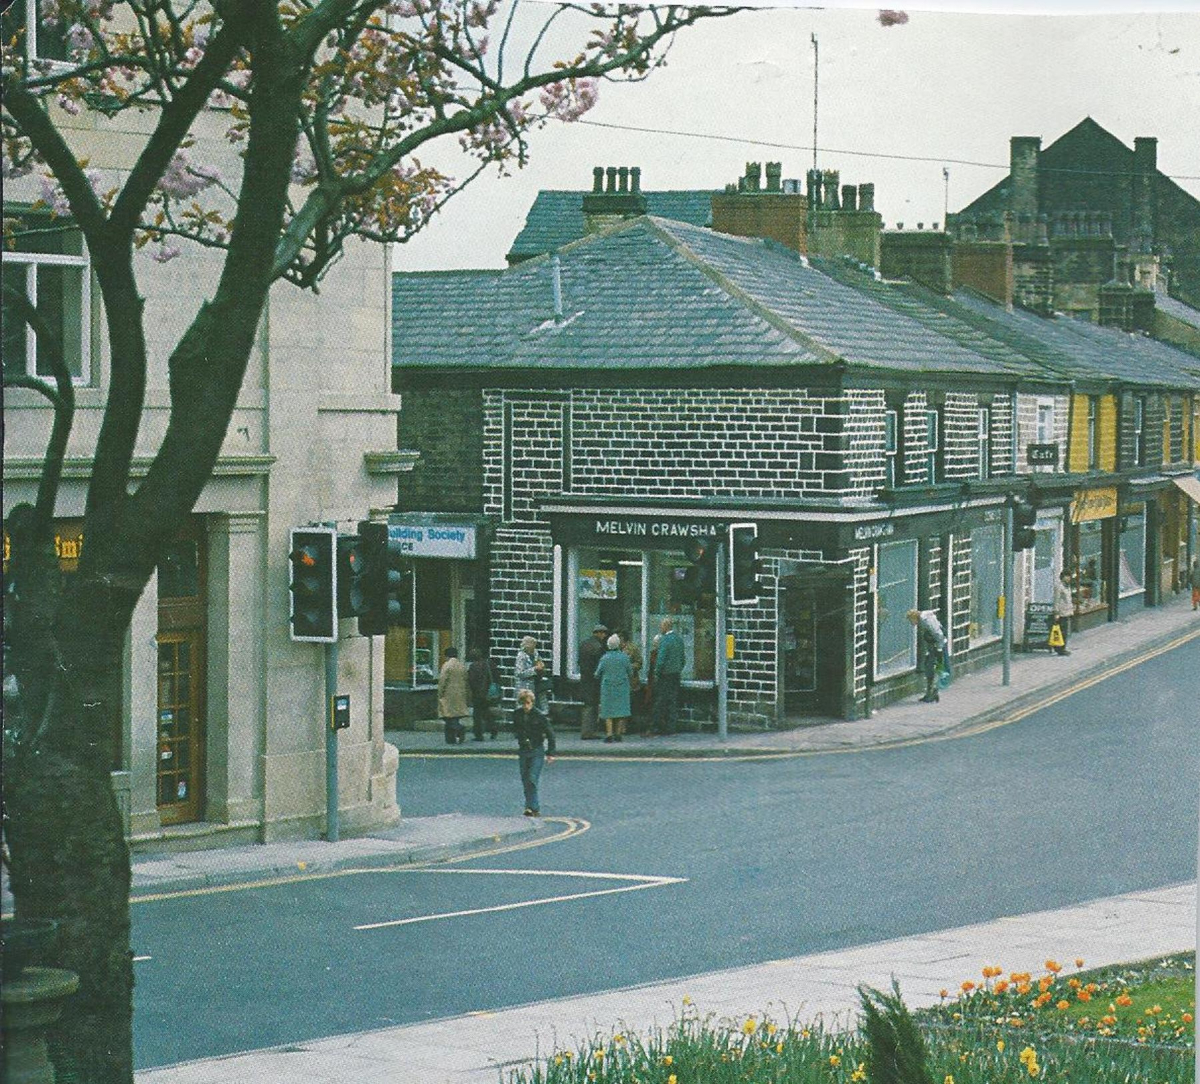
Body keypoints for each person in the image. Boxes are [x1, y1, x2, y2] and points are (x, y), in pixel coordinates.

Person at [512, 688, 555, 816]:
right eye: (523, 703)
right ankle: (529, 807)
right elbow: (515, 729)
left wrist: (550, 753)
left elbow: (550, 734)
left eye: (528, 703)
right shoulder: (517, 714)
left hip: (537, 750)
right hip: (524, 750)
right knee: (525, 779)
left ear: (532, 703)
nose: (526, 706)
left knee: (532, 778)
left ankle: (534, 807)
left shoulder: (539, 716)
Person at [595, 633, 633, 743]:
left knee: (608, 711)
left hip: (607, 687)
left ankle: (609, 734)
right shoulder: (624, 657)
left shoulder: (604, 658)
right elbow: (630, 672)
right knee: (621, 710)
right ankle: (618, 733)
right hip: (622, 686)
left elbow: (598, 673)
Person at [652, 617, 685, 734]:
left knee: (661, 701)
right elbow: (683, 659)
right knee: (673, 701)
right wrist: (678, 669)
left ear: (666, 626)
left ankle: (657, 727)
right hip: (676, 674)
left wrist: (657, 672)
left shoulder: (665, 640)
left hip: (665, 675)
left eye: (661, 626)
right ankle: (671, 727)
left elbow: (661, 659)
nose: (660, 628)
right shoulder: (679, 639)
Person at [906, 608, 946, 704]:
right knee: (933, 668)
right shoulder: (926, 619)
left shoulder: (926, 621)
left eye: (911, 621)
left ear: (914, 617)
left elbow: (937, 633)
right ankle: (931, 692)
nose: (912, 624)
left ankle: (932, 692)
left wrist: (939, 648)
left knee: (931, 668)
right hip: (935, 646)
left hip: (936, 646)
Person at [578, 623, 608, 740]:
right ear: (599, 633)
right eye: (603, 633)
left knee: (588, 705)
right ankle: (588, 732)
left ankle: (587, 731)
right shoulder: (598, 647)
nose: (604, 636)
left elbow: (580, 662)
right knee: (592, 706)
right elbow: (599, 665)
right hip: (593, 681)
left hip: (584, 679)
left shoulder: (584, 644)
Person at [437, 646, 469, 744]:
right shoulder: (461, 666)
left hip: (448, 695)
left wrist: (440, 693)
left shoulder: (447, 666)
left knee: (448, 717)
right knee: (454, 717)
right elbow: (466, 679)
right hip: (460, 694)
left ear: (447, 656)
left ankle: (459, 729)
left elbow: (442, 681)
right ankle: (451, 739)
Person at [467, 648, 499, 741]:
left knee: (477, 715)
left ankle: (478, 735)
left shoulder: (473, 666)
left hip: (478, 694)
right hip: (488, 693)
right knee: (486, 712)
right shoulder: (489, 664)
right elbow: (497, 676)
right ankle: (493, 729)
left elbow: (472, 681)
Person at [620, 631, 645, 734]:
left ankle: (626, 727)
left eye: (620, 638)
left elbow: (639, 663)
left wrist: (630, 667)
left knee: (629, 704)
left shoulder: (633, 648)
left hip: (631, 681)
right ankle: (620, 727)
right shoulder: (614, 649)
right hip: (619, 681)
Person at [1052, 571, 1074, 657]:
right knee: (1062, 631)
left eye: (1069, 576)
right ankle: (1060, 649)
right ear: (1062, 577)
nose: (1069, 578)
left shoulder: (1067, 586)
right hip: (1061, 612)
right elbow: (1056, 600)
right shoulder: (1059, 587)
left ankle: (1062, 647)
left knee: (1065, 631)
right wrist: (1056, 613)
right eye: (1067, 576)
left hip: (1067, 612)